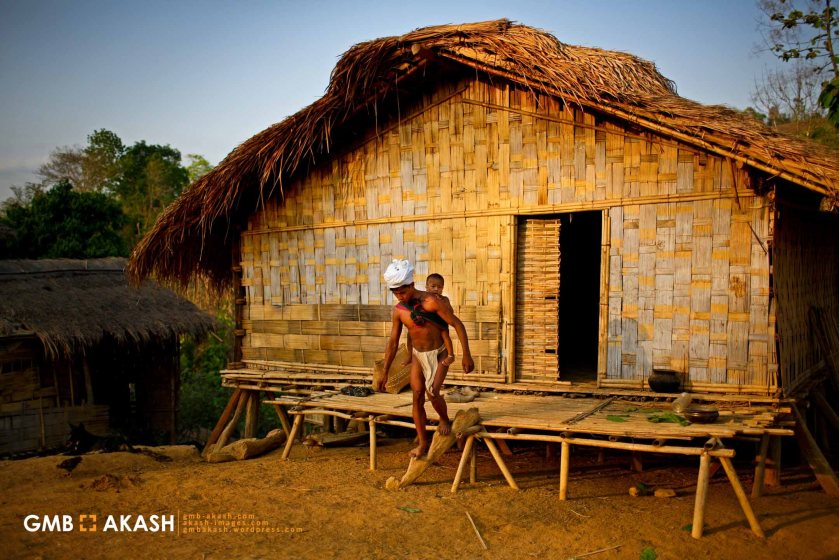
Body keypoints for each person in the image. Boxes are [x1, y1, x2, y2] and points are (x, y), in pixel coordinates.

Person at [378, 260, 474, 459]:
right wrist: (385, 372)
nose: (399, 296)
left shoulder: (431, 301)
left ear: (412, 285)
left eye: (402, 292)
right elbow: (393, 343)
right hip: (418, 356)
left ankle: (444, 419)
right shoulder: (399, 311)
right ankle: (422, 443)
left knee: (433, 392)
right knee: (417, 395)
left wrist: (466, 354)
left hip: (438, 353)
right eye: (395, 293)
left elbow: (457, 324)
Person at [403, 274, 455, 385]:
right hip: (423, 326)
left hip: (440, 325)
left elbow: (451, 313)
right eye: (433, 286)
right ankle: (409, 356)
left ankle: (451, 355)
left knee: (445, 335)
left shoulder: (444, 299)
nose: (436, 289)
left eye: (439, 287)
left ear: (442, 288)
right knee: (410, 334)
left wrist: (442, 305)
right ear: (426, 287)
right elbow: (415, 309)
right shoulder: (423, 298)